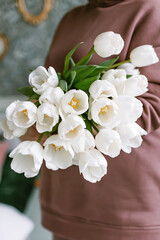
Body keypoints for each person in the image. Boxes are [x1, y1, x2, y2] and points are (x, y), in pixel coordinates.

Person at [23, 0, 160, 239]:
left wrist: (73, 112)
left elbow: (153, 104)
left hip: (126, 207)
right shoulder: (72, 18)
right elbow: (45, 88)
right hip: (65, 200)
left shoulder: (152, 11)